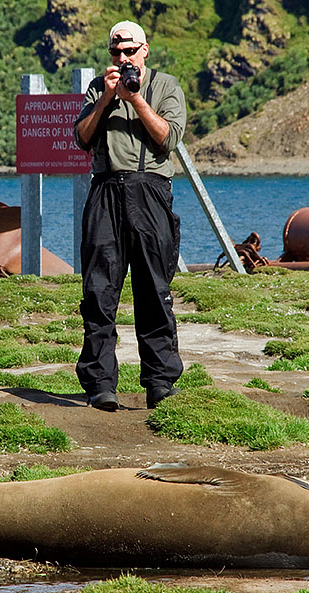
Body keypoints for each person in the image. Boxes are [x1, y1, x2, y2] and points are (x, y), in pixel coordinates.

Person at [73, 21, 186, 412]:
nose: (123, 60)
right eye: (115, 53)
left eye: (129, 52)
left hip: (149, 190)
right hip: (105, 189)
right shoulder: (97, 89)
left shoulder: (166, 87)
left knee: (155, 288)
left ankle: (160, 381)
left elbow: (168, 138)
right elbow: (82, 138)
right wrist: (106, 99)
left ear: (145, 50)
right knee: (99, 291)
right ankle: (100, 383)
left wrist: (135, 98)